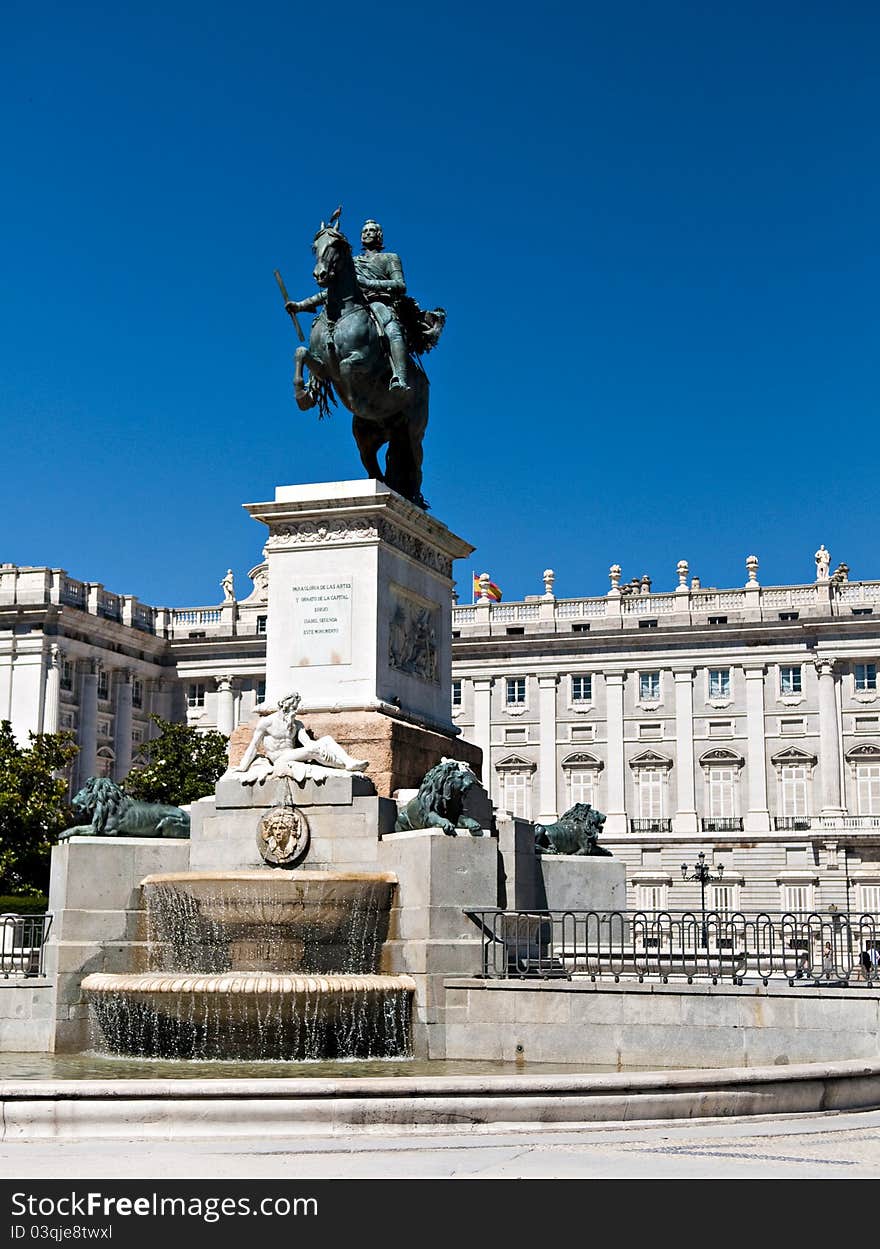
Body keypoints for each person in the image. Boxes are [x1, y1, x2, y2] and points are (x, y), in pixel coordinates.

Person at [233, 691, 368, 782]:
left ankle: (348, 762)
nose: (294, 710)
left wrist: (319, 748)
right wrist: (243, 767)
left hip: (291, 754)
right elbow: (254, 746)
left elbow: (307, 742)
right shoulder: (267, 722)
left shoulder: (297, 724)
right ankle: (342, 766)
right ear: (282, 705)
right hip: (278, 759)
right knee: (313, 750)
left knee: (326, 740)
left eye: (295, 707)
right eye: (291, 707)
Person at [352, 219, 411, 395]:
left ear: (379, 235)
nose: (367, 233)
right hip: (357, 305)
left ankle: (400, 377)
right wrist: (302, 305)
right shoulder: (353, 262)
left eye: (371, 230)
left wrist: (368, 283)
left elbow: (400, 285)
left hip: (382, 304)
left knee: (393, 331)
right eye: (364, 231)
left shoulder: (390, 258)